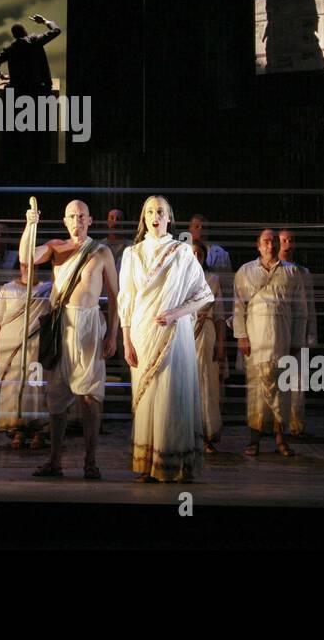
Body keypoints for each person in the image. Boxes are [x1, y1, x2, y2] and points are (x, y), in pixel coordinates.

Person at [21, 200, 119, 479]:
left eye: (82, 216)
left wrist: (112, 333)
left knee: (90, 395)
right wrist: (31, 224)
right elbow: (26, 258)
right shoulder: (56, 247)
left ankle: (91, 461)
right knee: (56, 396)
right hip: (60, 324)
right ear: (65, 221)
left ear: (90, 220)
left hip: (89, 326)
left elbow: (114, 297)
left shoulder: (101, 252)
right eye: (72, 216)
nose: (77, 220)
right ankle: (55, 461)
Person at [119, 196, 213, 482]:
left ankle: (174, 464)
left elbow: (204, 295)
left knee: (171, 396)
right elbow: (126, 300)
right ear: (143, 217)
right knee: (147, 399)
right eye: (149, 212)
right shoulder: (131, 254)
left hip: (174, 334)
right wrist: (126, 341)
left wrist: (176, 312)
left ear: (169, 217)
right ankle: (148, 465)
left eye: (160, 211)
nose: (155, 216)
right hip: (142, 334)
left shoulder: (182, 252)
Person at [232, 229, 306, 457]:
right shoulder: (246, 271)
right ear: (258, 245)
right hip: (255, 339)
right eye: (266, 241)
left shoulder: (292, 272)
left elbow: (301, 310)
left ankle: (280, 439)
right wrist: (242, 336)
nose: (270, 246)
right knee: (256, 391)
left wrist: (296, 340)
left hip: (282, 339)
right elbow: (238, 307)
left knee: (282, 390)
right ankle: (254, 439)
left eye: (274, 241)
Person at [0, 262, 51, 449]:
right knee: (14, 390)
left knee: (36, 389)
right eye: (25, 265)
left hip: (36, 348)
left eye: (33, 265)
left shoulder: (47, 289)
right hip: (11, 349)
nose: (29, 269)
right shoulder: (8, 289)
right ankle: (18, 431)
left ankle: (39, 432)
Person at [278, 228, 316, 436]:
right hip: (277, 330)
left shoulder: (303, 273)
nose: (287, 243)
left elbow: (308, 304)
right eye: (284, 240)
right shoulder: (273, 270)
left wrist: (311, 335)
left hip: (298, 331)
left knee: (297, 381)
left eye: (291, 240)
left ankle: (295, 422)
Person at [192, 241, 226, 453]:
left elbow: (221, 314)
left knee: (206, 383)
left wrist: (221, 344)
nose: (196, 258)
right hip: (185, 334)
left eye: (199, 254)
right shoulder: (178, 279)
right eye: (192, 254)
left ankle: (206, 435)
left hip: (206, 333)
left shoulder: (212, 279)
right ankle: (187, 434)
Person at [0, 15, 62, 98]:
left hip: (19, 93)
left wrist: (0, 75)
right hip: (40, 90)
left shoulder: (9, 50)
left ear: (14, 36)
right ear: (25, 32)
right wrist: (44, 21)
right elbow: (57, 30)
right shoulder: (36, 41)